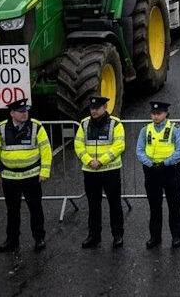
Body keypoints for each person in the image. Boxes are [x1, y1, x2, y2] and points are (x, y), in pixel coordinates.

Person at [0, 98, 52, 253]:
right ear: (12, 113)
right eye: (20, 111)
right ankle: (12, 240)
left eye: (26, 111)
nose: (24, 114)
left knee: (35, 208)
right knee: (12, 211)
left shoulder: (36, 126)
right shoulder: (1, 128)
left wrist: (44, 172)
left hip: (31, 176)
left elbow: (46, 150)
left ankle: (39, 238)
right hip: (10, 178)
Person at [74, 96, 125, 249]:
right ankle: (94, 236)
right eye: (92, 108)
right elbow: (78, 145)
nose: (94, 111)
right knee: (93, 205)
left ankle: (117, 235)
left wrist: (101, 161)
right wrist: (89, 161)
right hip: (90, 171)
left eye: (97, 108)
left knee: (114, 204)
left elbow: (119, 145)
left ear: (105, 108)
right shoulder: (84, 124)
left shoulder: (115, 124)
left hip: (110, 170)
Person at [136, 100, 180, 249]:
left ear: (166, 113)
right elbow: (139, 150)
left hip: (170, 171)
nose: (155, 116)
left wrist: (165, 163)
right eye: (153, 113)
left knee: (174, 205)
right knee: (154, 207)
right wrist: (150, 164)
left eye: (159, 113)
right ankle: (155, 237)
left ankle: (176, 236)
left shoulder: (175, 129)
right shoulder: (145, 130)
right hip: (152, 172)